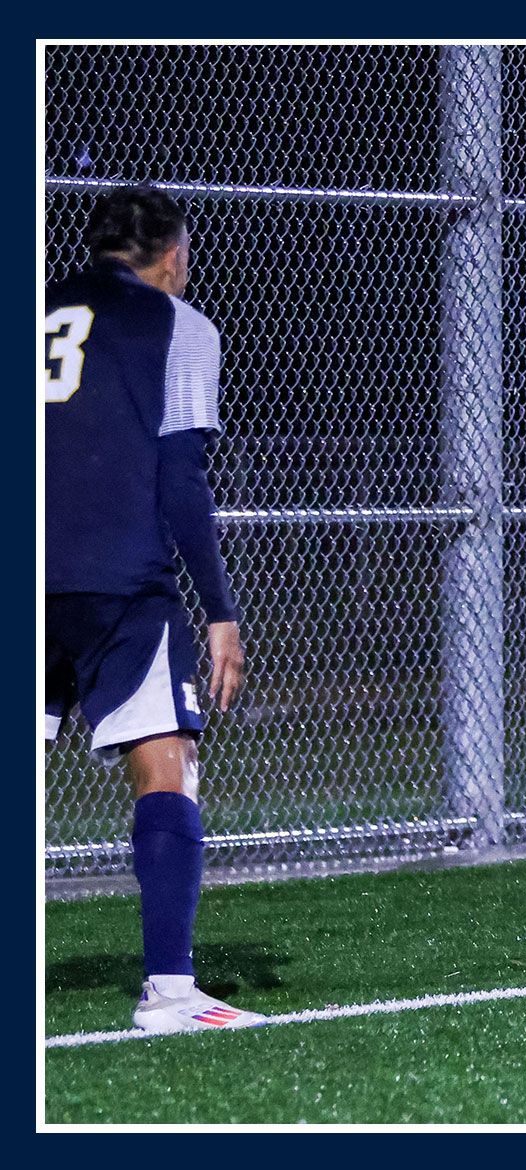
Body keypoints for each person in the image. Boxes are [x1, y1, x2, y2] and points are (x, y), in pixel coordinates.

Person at [44, 184, 262, 1033]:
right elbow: (181, 478)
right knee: (163, 764)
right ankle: (170, 991)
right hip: (120, 581)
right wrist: (219, 607)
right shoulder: (184, 327)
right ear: (170, 256)